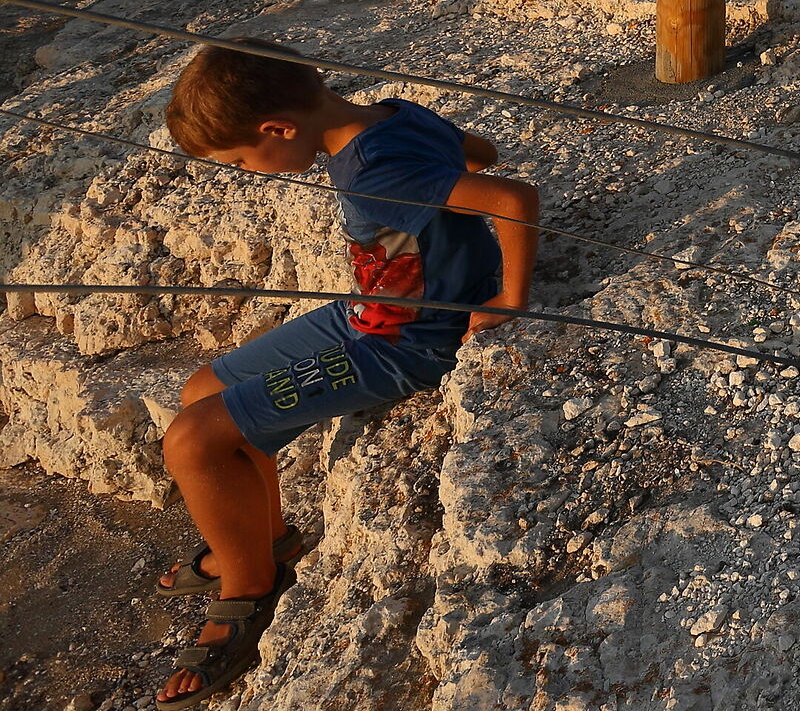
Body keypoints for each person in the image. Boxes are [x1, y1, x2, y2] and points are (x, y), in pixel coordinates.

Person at [147, 44, 538, 706]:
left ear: (278, 128)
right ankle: (266, 541)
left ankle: (248, 588)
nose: (248, 172)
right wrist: (444, 220)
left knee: (190, 440)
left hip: (401, 346)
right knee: (202, 391)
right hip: (364, 313)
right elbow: (481, 153)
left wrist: (507, 299)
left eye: (241, 161)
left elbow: (510, 196)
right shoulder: (395, 114)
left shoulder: (372, 168)